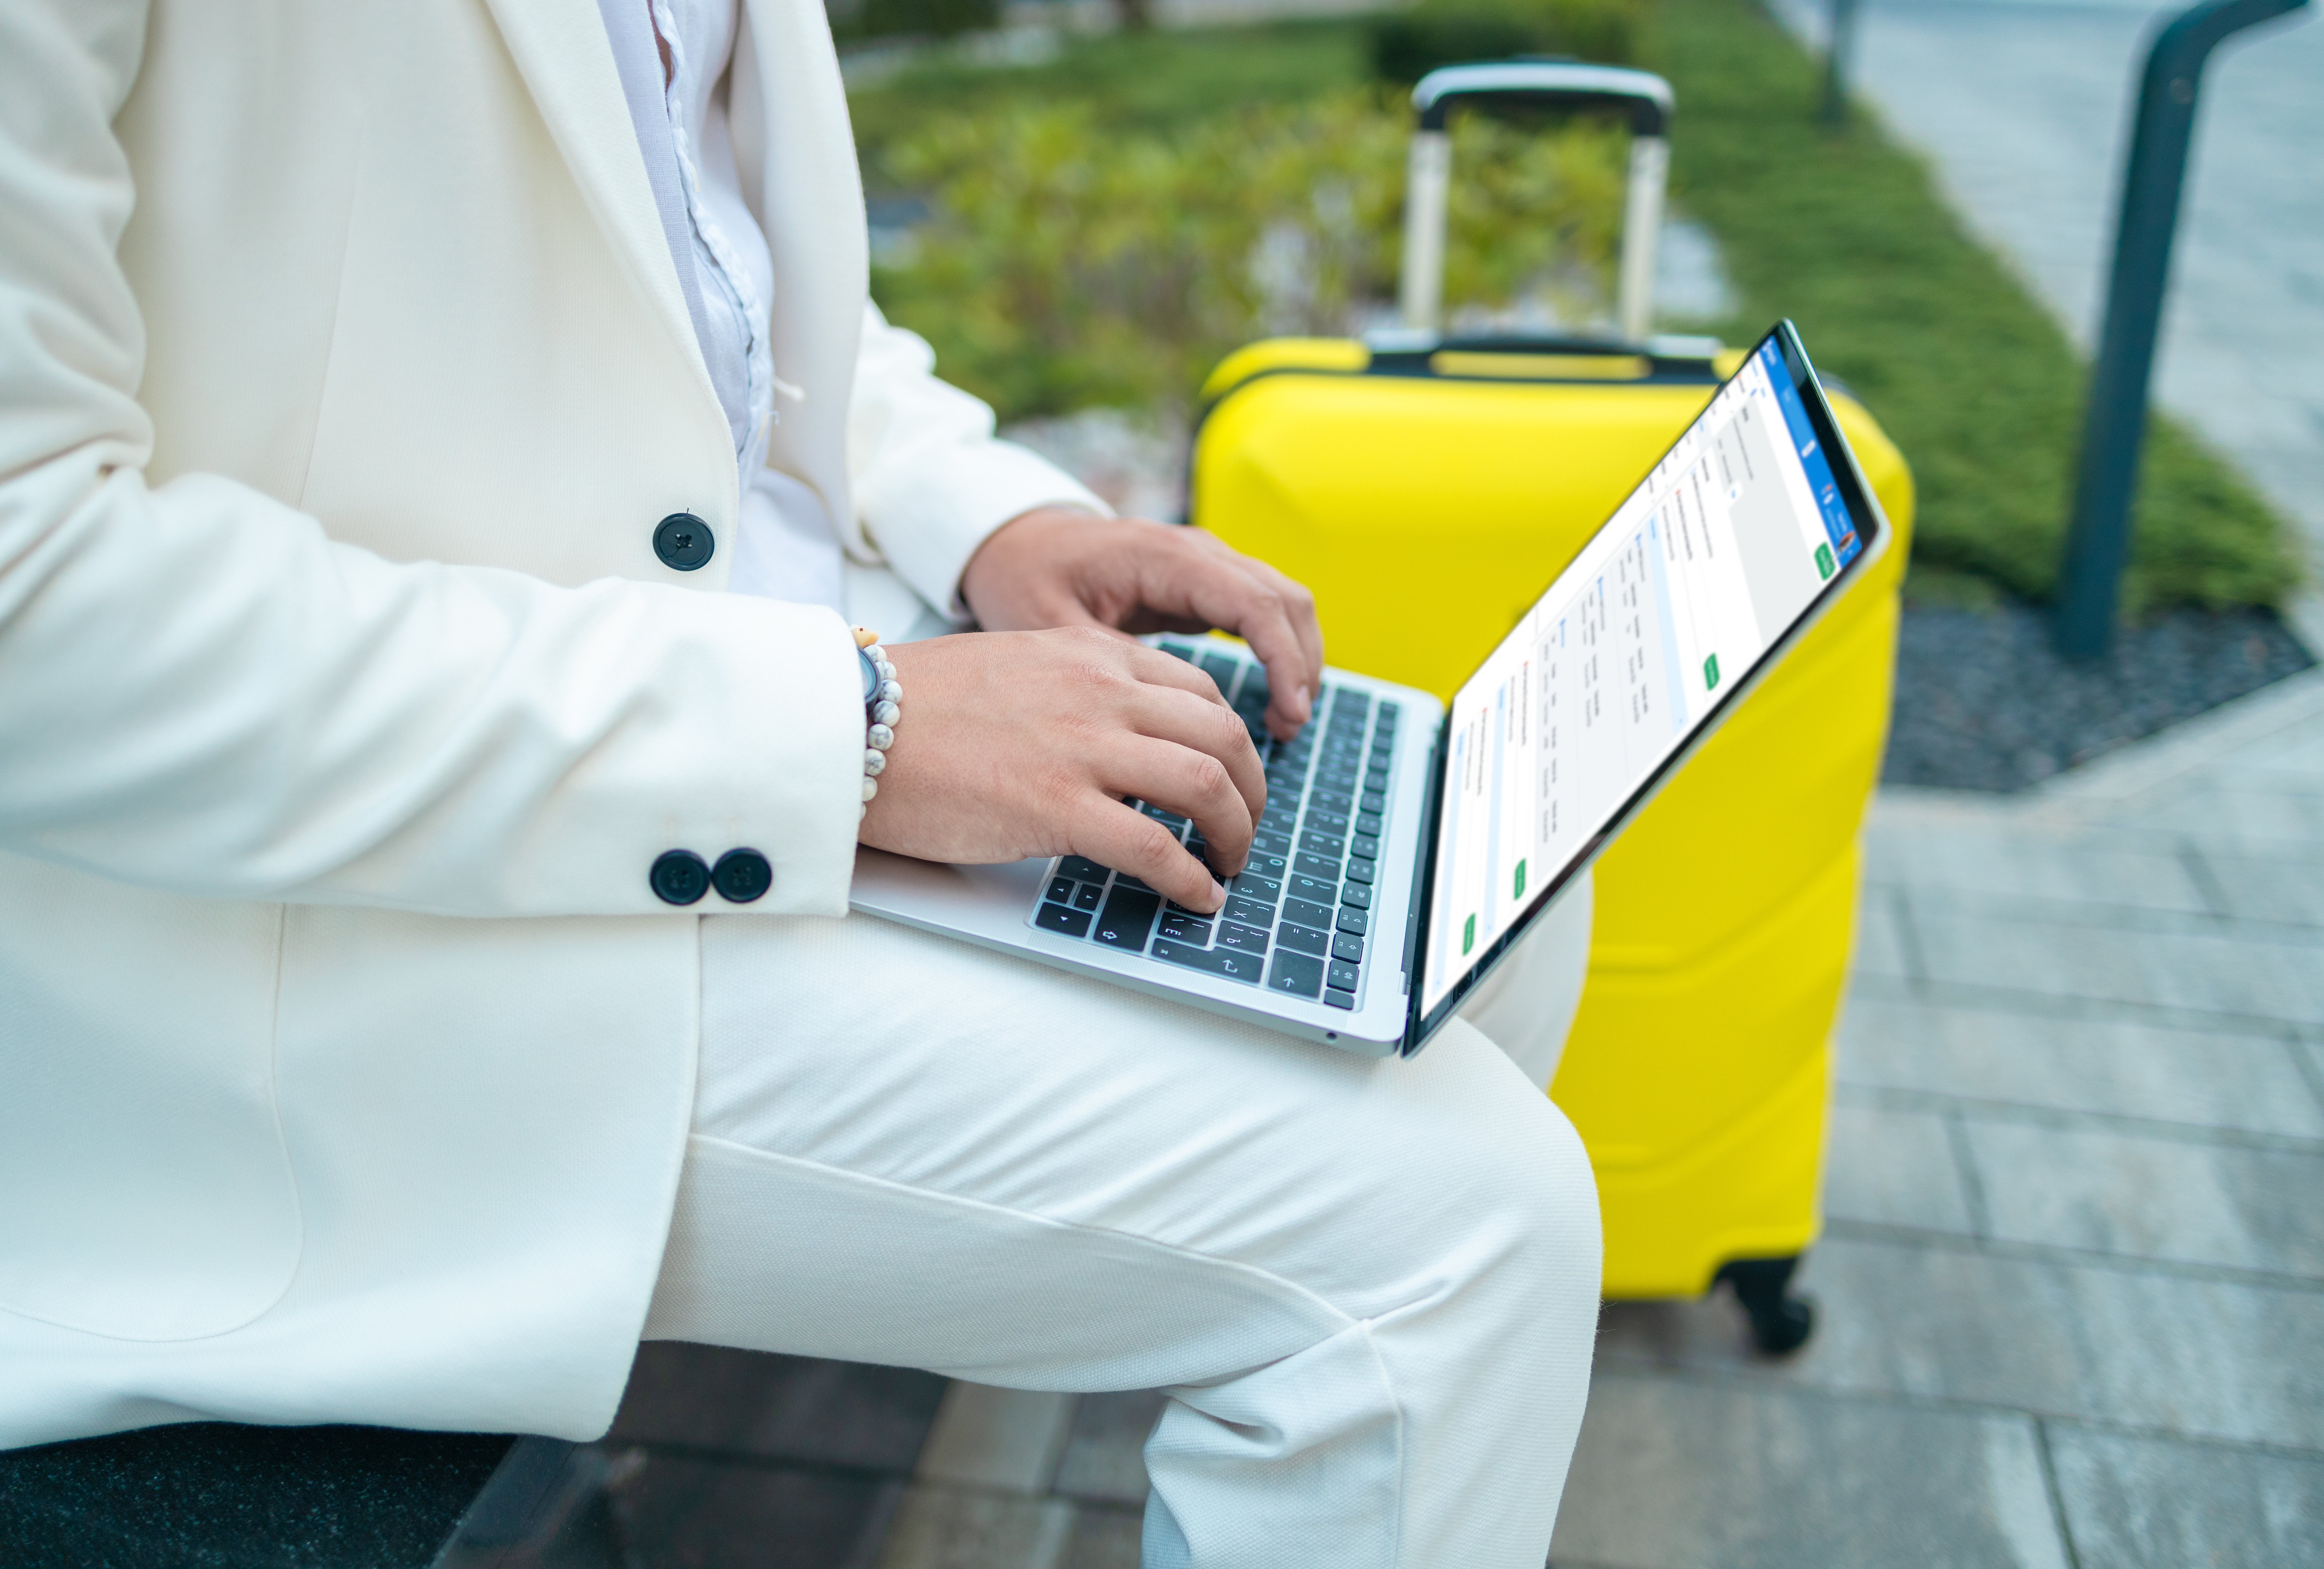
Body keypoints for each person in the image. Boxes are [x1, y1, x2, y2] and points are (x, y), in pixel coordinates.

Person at [0, 1, 1602, 1562]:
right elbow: (32, 601)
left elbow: (699, 254)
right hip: (332, 908)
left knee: (1480, 881)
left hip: (764, 672)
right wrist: (856, 732)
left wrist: (989, 523)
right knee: (1462, 1246)